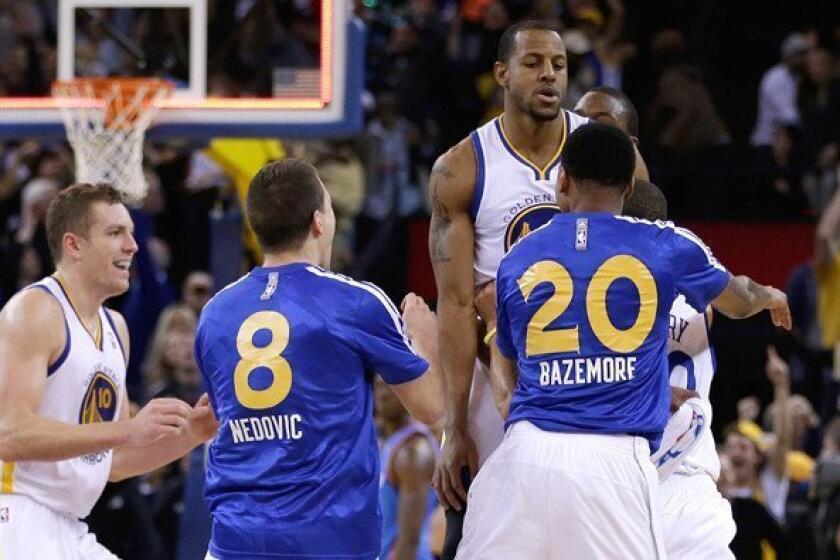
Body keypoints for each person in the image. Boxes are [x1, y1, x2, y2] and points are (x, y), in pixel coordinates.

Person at [457, 123, 791, 558]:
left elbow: (510, 361)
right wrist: (769, 295)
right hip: (612, 460)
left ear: (563, 179)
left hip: (526, 452)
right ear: (630, 184)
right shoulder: (665, 245)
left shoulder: (518, 257)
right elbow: (738, 300)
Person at [429, 22, 649, 557]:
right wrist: (453, 424)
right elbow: (456, 304)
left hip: (591, 381)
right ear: (502, 74)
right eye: (534, 63)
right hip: (501, 373)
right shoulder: (463, 168)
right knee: (476, 527)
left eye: (559, 64)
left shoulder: (609, 153)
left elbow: (649, 271)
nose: (549, 74)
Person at [194, 159, 443, 560]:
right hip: (327, 543)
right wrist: (426, 339)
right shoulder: (356, 301)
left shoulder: (215, 313)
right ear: (318, 222)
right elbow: (432, 408)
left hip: (232, 543)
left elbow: (220, 421)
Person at [0, 182, 218, 560]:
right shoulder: (36, 309)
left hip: (70, 524)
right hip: (17, 516)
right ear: (74, 245)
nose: (132, 246)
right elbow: (9, 433)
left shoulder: (116, 328)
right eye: (115, 233)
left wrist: (193, 435)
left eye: (131, 233)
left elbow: (112, 464)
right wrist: (129, 428)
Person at [375, 377, 439, 560]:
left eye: (390, 386)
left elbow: (410, 539)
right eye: (379, 386)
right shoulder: (383, 440)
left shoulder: (414, 453)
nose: (383, 394)